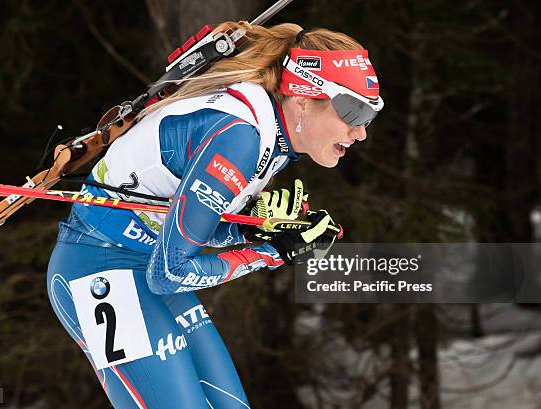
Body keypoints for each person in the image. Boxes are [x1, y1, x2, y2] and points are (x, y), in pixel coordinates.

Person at [47, 21, 383, 409]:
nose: (360, 133)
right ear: (304, 98)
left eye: (370, 115)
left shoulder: (271, 135)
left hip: (143, 263)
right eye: (353, 111)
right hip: (100, 266)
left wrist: (254, 229)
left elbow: (186, 229)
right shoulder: (241, 135)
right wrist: (273, 251)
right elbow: (171, 271)